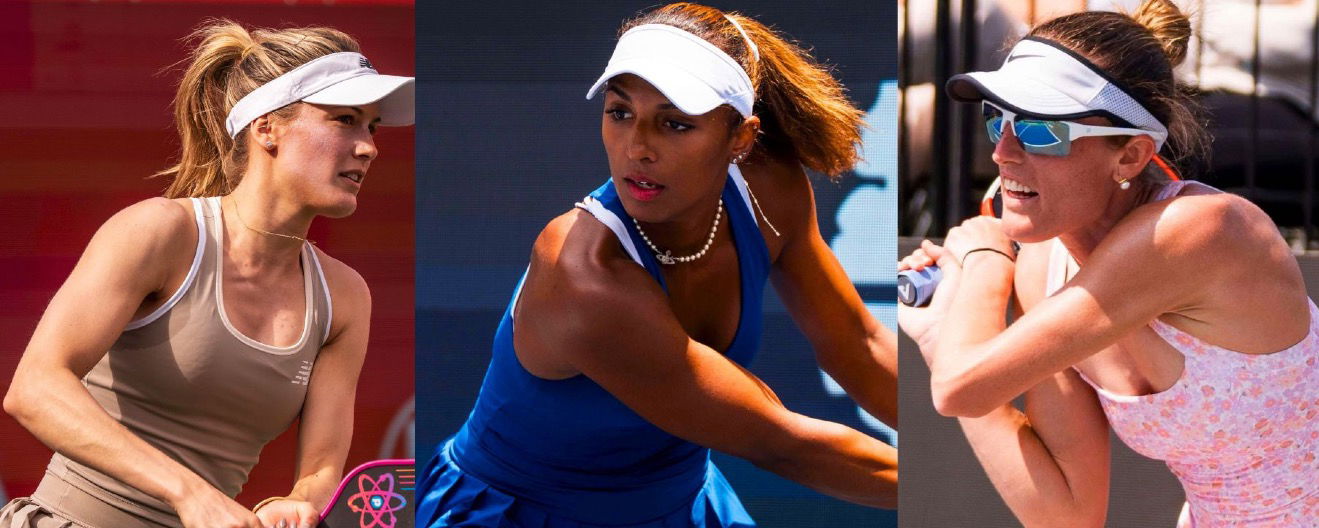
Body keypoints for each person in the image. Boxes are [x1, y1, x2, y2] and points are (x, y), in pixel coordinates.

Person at [417, 3, 898, 526]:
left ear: (741, 138)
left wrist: (949, 432)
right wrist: (945, 477)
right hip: (521, 514)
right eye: (620, 113)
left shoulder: (769, 190)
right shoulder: (584, 277)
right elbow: (780, 443)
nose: (637, 149)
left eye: (674, 123)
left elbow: (859, 344)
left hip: (681, 502)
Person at [899, 1, 1319, 526]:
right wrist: (940, 339)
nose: (1003, 152)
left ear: (1131, 155)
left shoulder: (1199, 229)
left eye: (1041, 130)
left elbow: (960, 387)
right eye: (996, 120)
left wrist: (985, 261)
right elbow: (1066, 516)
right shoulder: (1044, 269)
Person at [1, 20, 414, 528]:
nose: (368, 147)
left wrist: (295, 504)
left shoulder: (346, 296)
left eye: (371, 127)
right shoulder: (158, 231)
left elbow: (321, 470)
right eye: (345, 119)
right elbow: (35, 389)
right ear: (267, 128)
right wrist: (189, 493)